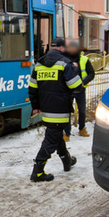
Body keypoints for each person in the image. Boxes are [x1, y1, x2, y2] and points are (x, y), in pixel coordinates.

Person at [28, 37, 83, 182]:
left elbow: (32, 88)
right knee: (51, 140)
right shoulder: (65, 63)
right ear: (61, 48)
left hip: (46, 109)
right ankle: (38, 171)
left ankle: (67, 161)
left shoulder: (39, 64)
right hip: (60, 109)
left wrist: (36, 106)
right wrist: (75, 72)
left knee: (56, 134)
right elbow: (76, 85)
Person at [63, 40, 95, 139]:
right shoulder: (65, 60)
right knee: (67, 111)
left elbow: (91, 74)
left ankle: (82, 128)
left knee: (82, 111)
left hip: (80, 90)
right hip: (69, 90)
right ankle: (66, 132)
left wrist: (83, 82)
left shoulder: (84, 59)